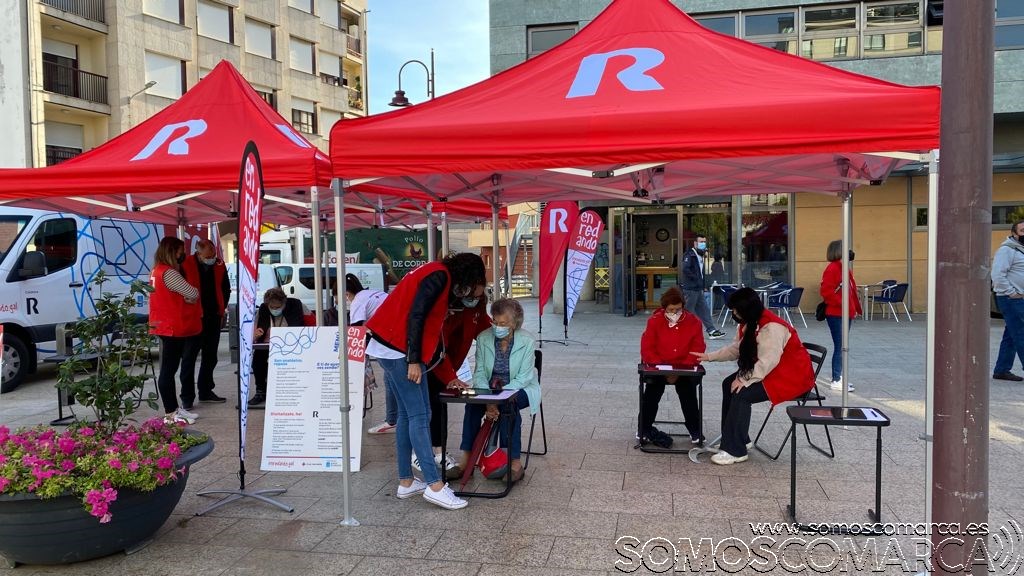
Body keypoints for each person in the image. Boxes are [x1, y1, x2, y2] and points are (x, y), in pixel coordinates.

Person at [365, 252, 488, 510]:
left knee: (409, 417)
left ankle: (406, 482)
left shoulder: (434, 272)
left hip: (389, 346)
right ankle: (435, 486)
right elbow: (417, 315)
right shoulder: (439, 276)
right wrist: (413, 359)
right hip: (398, 349)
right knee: (421, 415)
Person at [691, 287, 814, 465]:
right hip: (775, 370)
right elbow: (737, 349)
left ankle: (736, 450)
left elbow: (767, 362)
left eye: (735, 310)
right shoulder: (751, 321)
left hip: (791, 377)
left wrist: (744, 380)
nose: (733, 313)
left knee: (742, 394)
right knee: (728, 384)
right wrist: (710, 357)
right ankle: (737, 438)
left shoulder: (772, 327)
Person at [458, 298, 540, 483]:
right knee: (472, 405)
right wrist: (488, 398)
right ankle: (467, 460)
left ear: (515, 323)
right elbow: (479, 372)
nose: (497, 326)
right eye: (495, 321)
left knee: (508, 407)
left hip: (520, 388)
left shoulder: (526, 340)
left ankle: (514, 462)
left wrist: (498, 399)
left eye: (503, 323)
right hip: (488, 389)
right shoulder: (483, 338)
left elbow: (524, 377)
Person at [419, 281, 491, 479]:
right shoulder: (447, 308)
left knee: (446, 405)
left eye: (478, 296)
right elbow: (437, 346)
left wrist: (505, 332)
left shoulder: (476, 304)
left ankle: (440, 452)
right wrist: (451, 377)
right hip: (432, 361)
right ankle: (434, 452)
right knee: (431, 405)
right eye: (472, 297)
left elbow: (484, 328)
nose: (475, 300)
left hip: (449, 361)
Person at [639, 287, 706, 446]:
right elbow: (647, 347)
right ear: (664, 309)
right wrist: (661, 368)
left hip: (684, 367)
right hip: (658, 367)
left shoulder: (694, 322)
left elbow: (698, 348)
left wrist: (680, 369)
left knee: (688, 395)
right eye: (671, 310)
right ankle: (644, 428)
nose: (675, 313)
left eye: (678, 309)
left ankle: (695, 429)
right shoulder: (654, 321)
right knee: (651, 394)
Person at [148, 237, 203, 425]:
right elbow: (193, 293)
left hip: (162, 325)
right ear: (173, 251)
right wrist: (190, 299)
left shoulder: (156, 271)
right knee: (168, 371)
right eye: (180, 251)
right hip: (172, 327)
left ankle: (173, 409)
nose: (183, 255)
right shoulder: (169, 273)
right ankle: (171, 412)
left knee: (168, 370)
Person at [180, 239, 230, 406]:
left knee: (210, 357)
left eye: (214, 255)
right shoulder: (185, 264)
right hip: (193, 317)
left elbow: (226, 288)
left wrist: (221, 310)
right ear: (198, 253)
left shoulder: (219, 265)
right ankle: (187, 397)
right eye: (209, 256)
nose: (213, 258)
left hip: (213, 316)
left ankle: (206, 390)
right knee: (189, 358)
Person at [248, 288, 308, 407]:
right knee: (257, 361)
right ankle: (261, 391)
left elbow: (312, 324)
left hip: (292, 346)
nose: (275, 310)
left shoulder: (297, 306)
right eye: (272, 307)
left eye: (278, 307)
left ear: (284, 303)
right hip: (267, 346)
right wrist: (254, 336)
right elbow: (250, 335)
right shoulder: (263, 310)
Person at [819, 240, 862, 392]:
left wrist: (853, 309)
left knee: (843, 347)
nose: (849, 252)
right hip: (837, 314)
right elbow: (826, 292)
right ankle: (836, 379)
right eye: (846, 249)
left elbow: (851, 291)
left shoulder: (843, 268)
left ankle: (839, 377)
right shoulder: (833, 268)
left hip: (844, 313)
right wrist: (844, 305)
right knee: (841, 347)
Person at [992, 220, 1024, 381]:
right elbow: (997, 275)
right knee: (1021, 333)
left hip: (1019, 298)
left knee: (1012, 334)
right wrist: (1011, 293)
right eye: (1023, 230)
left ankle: (1001, 370)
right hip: (1011, 299)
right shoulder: (1007, 250)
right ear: (1014, 234)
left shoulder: (1021, 251)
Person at [680, 234, 726, 340]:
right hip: (691, 289)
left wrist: (702, 285)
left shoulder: (700, 255)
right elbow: (685, 269)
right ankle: (682, 332)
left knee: (704, 310)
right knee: (688, 312)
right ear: (695, 243)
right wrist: (696, 279)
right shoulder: (689, 255)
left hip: (697, 288)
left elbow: (701, 273)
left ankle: (712, 331)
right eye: (701, 242)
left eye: (704, 242)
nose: (703, 244)